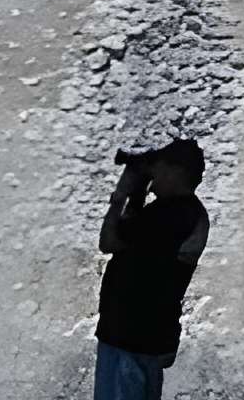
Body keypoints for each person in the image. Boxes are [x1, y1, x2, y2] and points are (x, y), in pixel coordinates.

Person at [93, 137, 209, 400]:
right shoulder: (181, 212)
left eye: (158, 167)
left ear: (177, 171)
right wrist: (138, 194)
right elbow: (134, 241)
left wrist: (121, 196)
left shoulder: (173, 213)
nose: (153, 176)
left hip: (130, 337)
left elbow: (109, 241)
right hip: (144, 335)